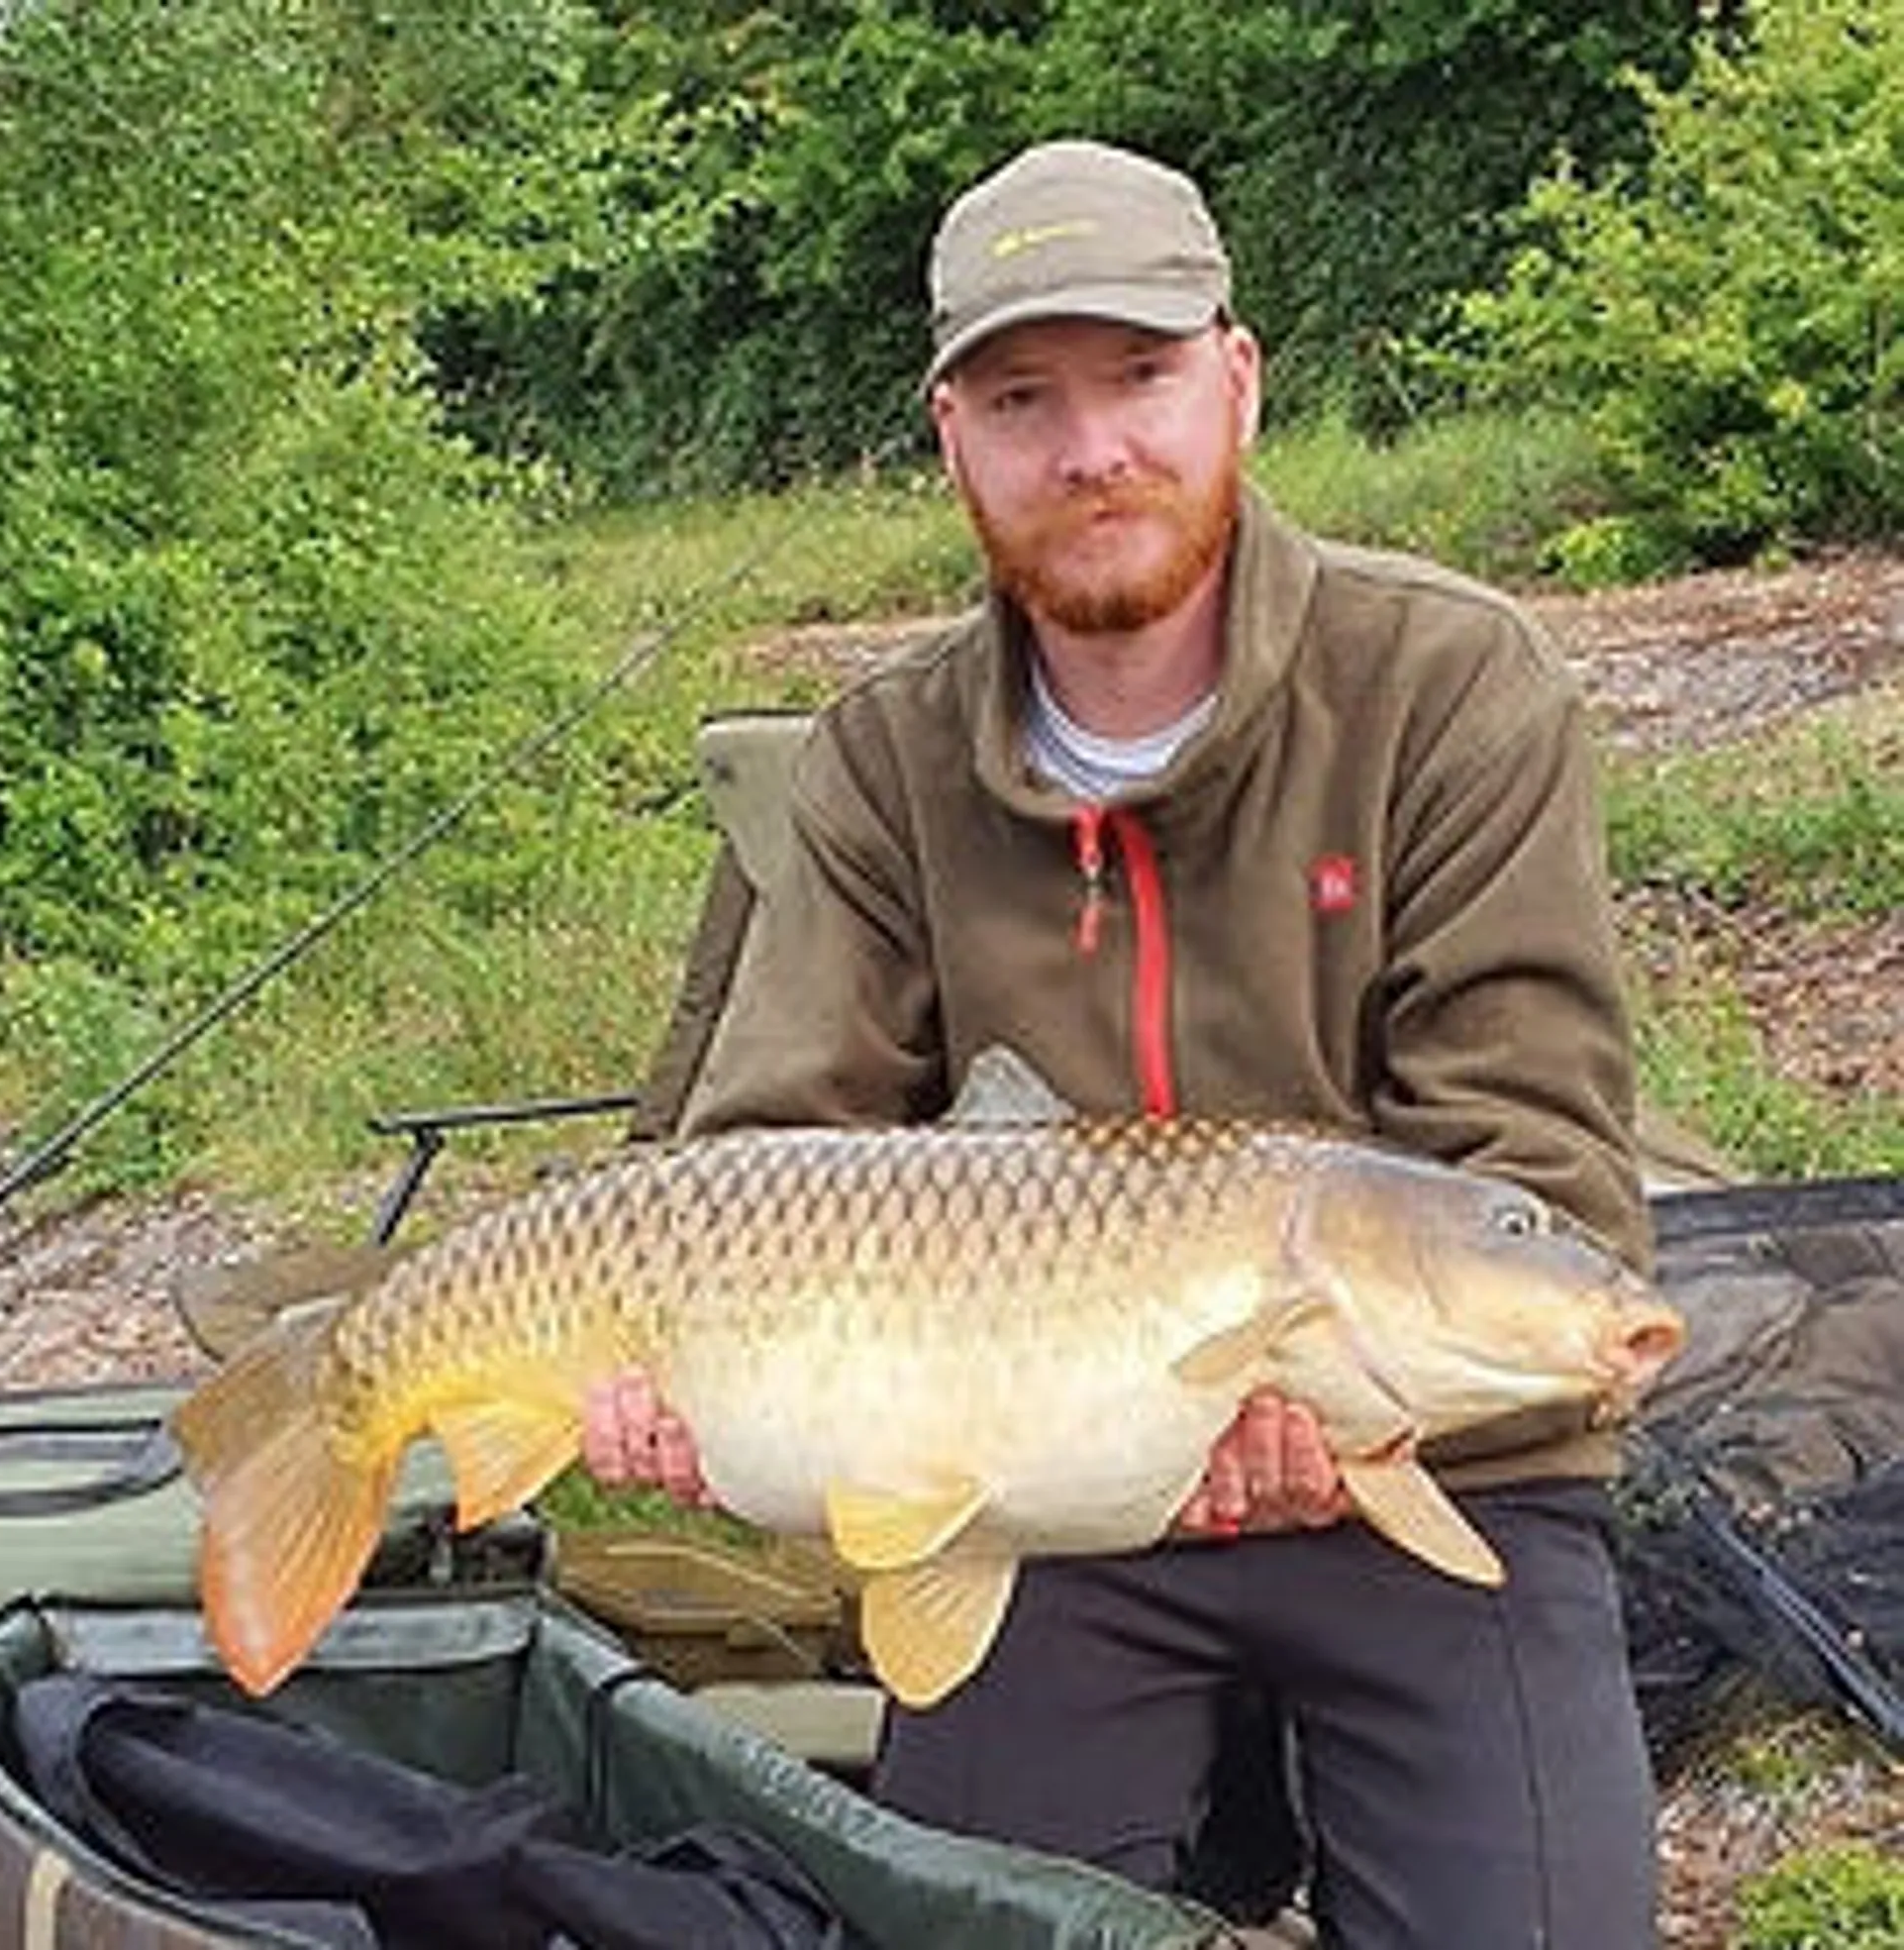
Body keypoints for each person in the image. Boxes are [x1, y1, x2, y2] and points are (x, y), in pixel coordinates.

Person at [584, 138, 1659, 1948]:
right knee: (973, 1924)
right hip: (1038, 1504)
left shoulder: (1453, 686)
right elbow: (772, 1146)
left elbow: (1538, 1165)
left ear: (1236, 380)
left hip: (1435, 1472)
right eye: (1025, 400)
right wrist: (684, 1372)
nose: (1094, 452)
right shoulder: (882, 761)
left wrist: (1348, 1399)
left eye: (1143, 379)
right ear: (953, 442)